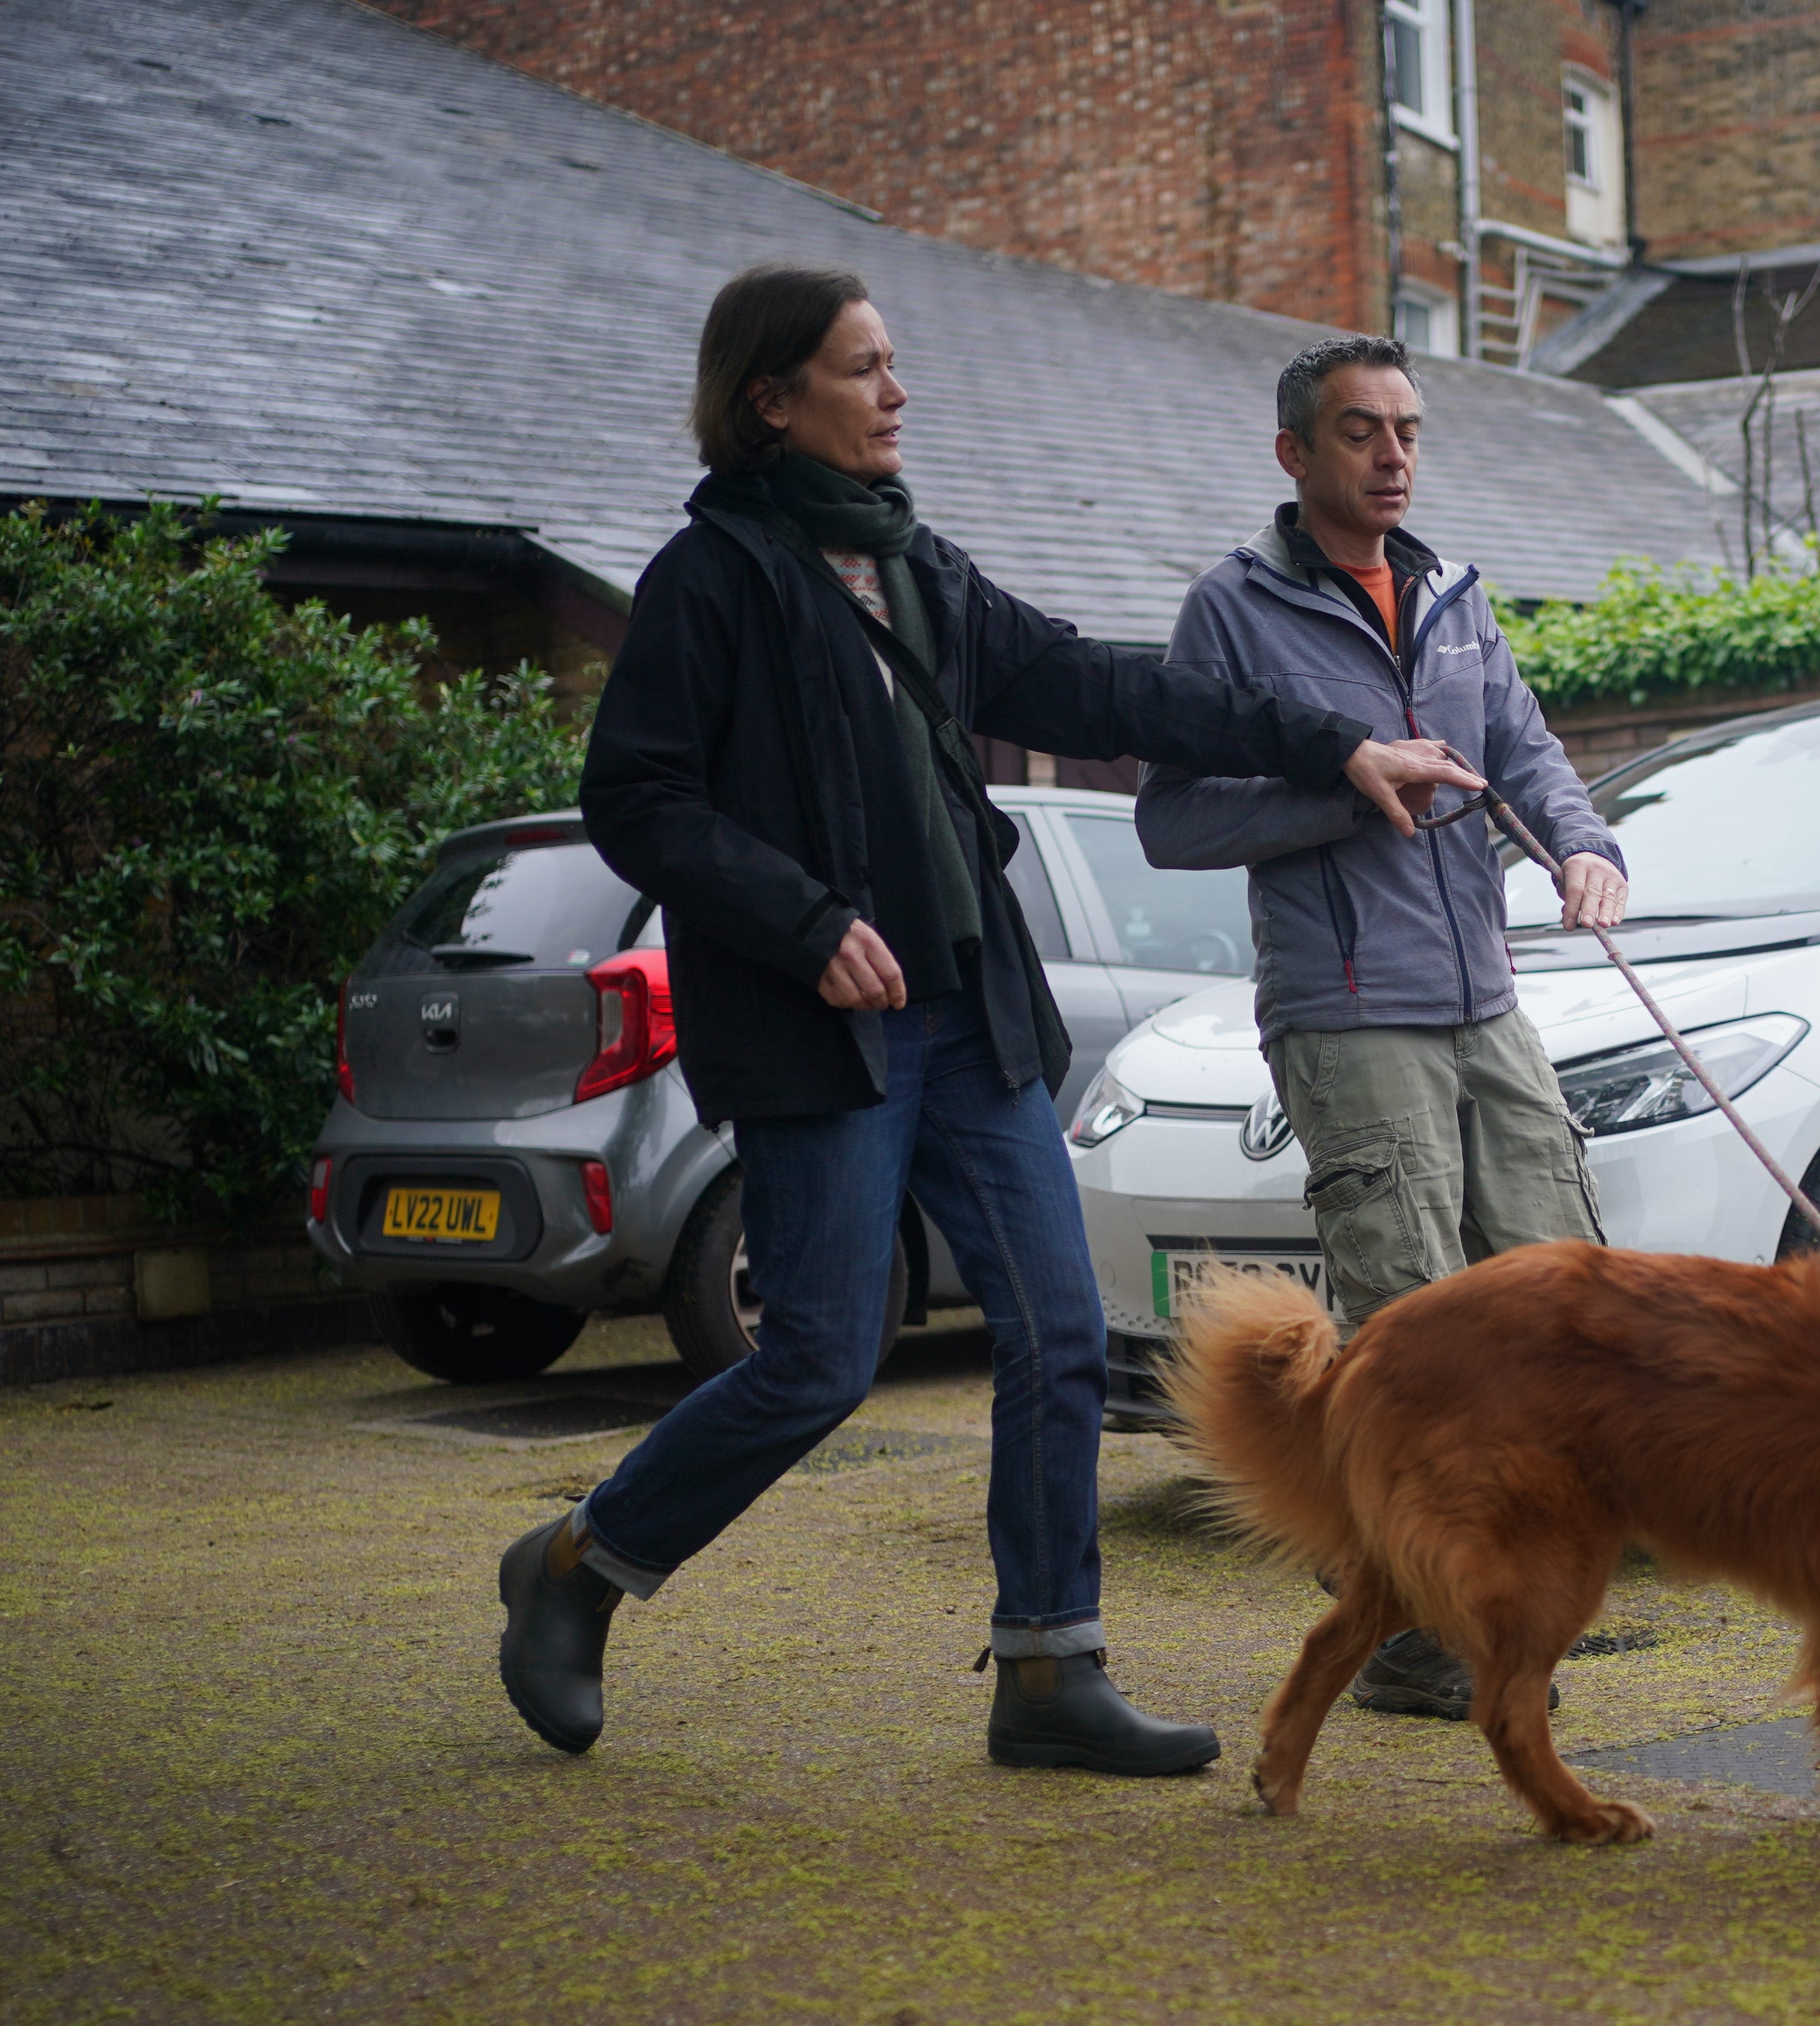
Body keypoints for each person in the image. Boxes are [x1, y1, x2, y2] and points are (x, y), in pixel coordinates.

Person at [498, 266, 1481, 1772]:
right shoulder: (715, 579)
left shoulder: (913, 566)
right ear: (775, 399)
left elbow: (1104, 685)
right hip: (832, 1032)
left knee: (1060, 1333)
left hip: (974, 1015)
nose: (899, 392)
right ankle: (581, 1564)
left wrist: (1342, 742)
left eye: (895, 365)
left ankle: (1047, 1670)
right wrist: (807, 921)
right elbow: (640, 799)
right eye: (865, 368)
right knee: (821, 1357)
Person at [1138, 334, 1627, 1720]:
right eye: (1362, 432)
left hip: (1488, 997)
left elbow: (1529, 756)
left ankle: (1492, 1589)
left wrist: (1586, 848)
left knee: (1561, 1296)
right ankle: (1412, 1630)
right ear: (1295, 453)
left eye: (1408, 429)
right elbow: (1173, 818)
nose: (1395, 455)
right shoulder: (1230, 612)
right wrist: (1354, 792)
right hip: (1349, 1014)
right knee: (1420, 1336)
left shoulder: (1457, 595)